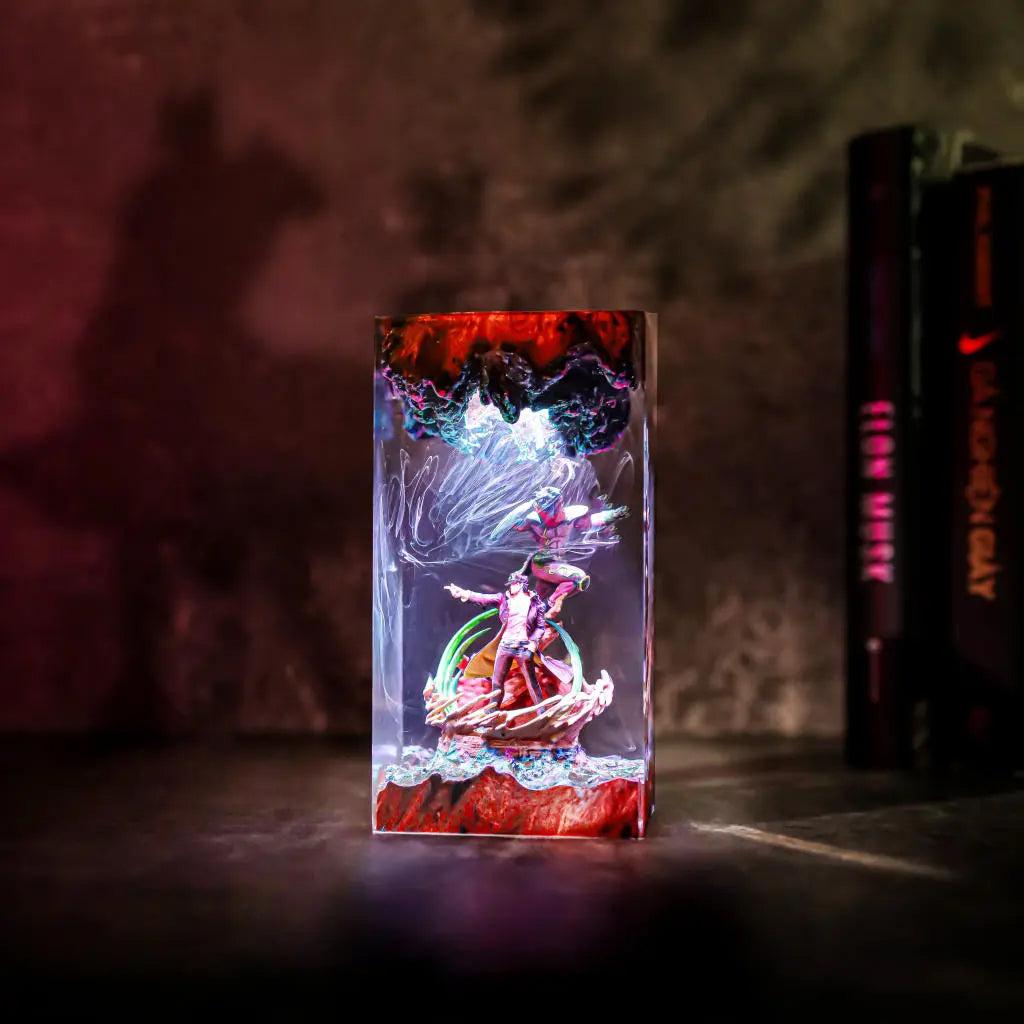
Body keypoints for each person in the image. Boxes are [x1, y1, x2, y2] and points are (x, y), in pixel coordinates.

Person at [444, 572, 547, 707]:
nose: (511, 587)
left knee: (531, 681)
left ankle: (541, 709)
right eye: (510, 585)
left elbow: (540, 627)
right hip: (505, 646)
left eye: (514, 584)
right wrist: (464, 593)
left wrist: (533, 641)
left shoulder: (536, 604)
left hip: (523, 647)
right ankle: (492, 710)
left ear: (521, 585)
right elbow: (483, 597)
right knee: (497, 682)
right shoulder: (503, 599)